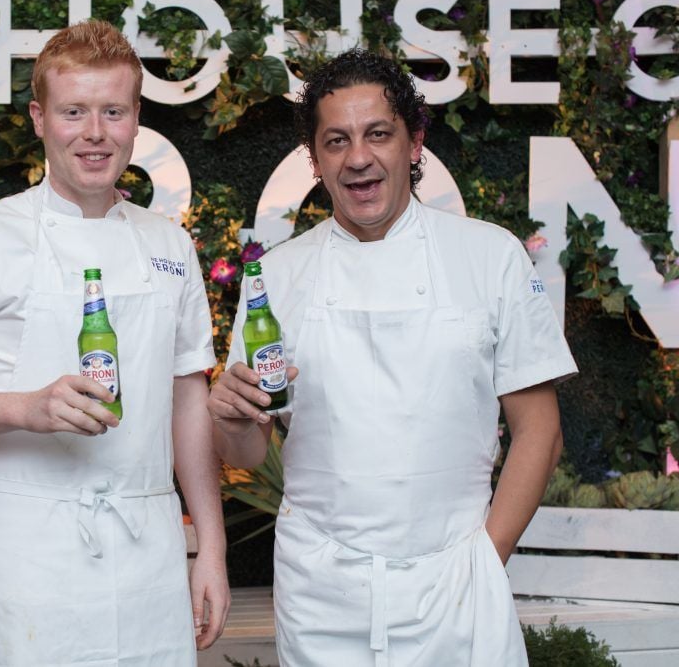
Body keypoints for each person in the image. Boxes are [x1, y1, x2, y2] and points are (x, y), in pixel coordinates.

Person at [208, 48, 577, 666]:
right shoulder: (277, 276)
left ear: (414, 143)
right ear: (316, 159)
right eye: (336, 141)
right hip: (321, 588)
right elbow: (248, 453)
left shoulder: (491, 256)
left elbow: (541, 430)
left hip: (458, 581)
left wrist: (487, 559)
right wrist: (232, 421)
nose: (358, 158)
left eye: (378, 133)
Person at [0, 20, 229, 667]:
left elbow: (189, 404)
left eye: (113, 111)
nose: (95, 133)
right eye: (74, 111)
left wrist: (210, 546)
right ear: (40, 118)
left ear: (136, 119)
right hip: (29, 568)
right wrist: (24, 408)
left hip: (150, 558)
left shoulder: (170, 246)